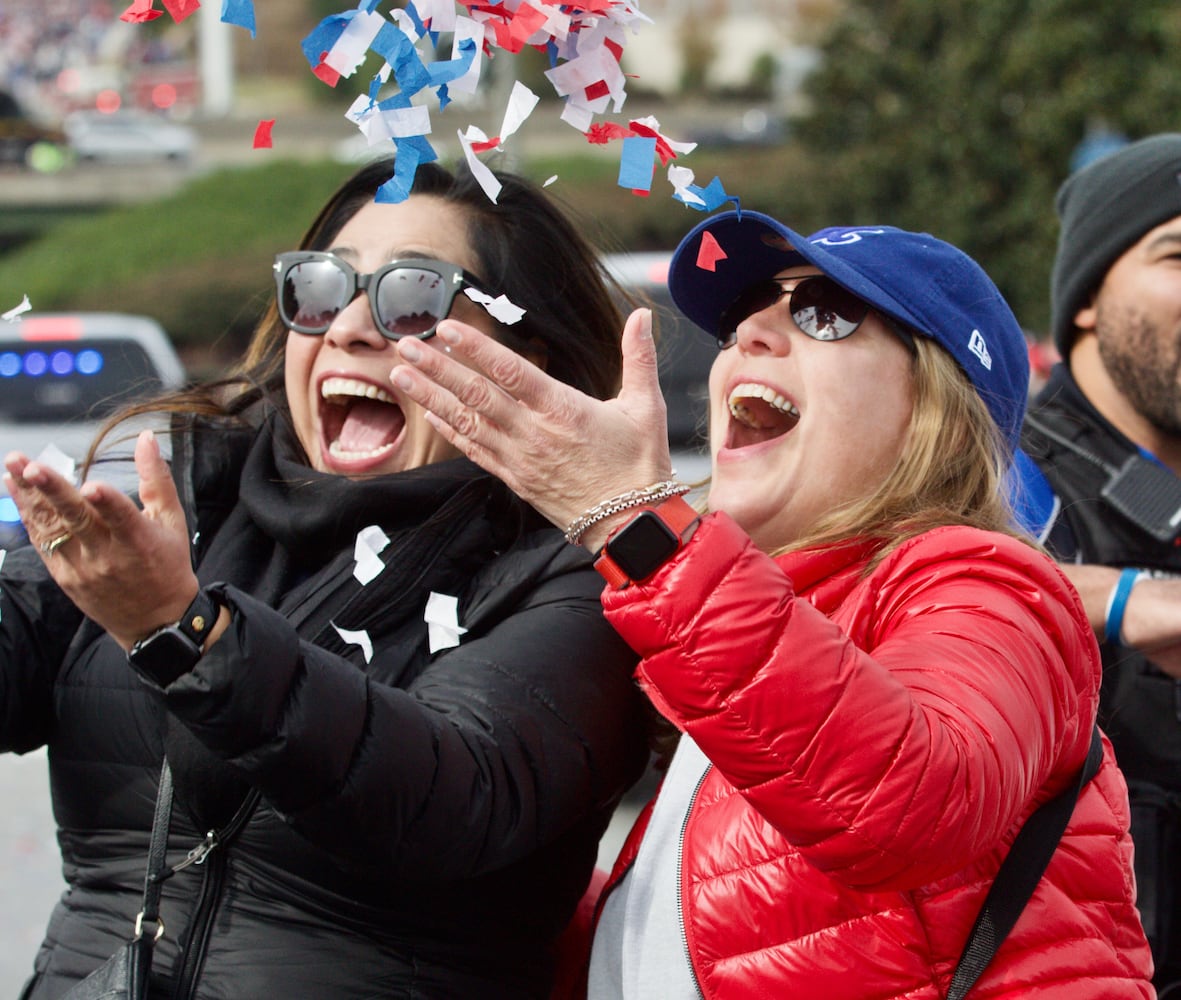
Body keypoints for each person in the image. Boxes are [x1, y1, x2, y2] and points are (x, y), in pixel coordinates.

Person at [389, 209, 1155, 997]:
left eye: (823, 311)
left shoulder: (982, 581)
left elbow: (908, 802)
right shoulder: (750, 640)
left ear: (936, 412)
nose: (751, 331)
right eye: (743, 315)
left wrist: (630, 518)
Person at [0, 156, 650, 999]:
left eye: (411, 297)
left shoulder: (572, 579)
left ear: (523, 355)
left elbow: (447, 797)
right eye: (320, 288)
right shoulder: (193, 508)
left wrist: (191, 635)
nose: (347, 327)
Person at [1020, 131, 1181, 994]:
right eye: (1178, 253)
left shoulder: (1159, 490)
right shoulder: (1006, 483)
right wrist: (1121, 599)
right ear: (1085, 299)